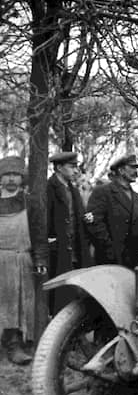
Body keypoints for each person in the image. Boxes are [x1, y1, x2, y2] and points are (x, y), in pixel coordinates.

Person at [0, 156, 44, 365]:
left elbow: (38, 233)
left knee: (20, 304)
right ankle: (7, 342)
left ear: (22, 178)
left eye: (15, 175)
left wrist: (40, 258)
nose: (10, 179)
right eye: (6, 175)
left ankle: (16, 344)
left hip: (23, 258)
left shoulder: (30, 202)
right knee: (5, 304)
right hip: (1, 258)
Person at [85, 154, 138, 269]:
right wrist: (109, 250)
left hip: (135, 259)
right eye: (132, 167)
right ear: (121, 170)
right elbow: (95, 225)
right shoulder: (103, 192)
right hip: (110, 259)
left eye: (136, 168)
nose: (135, 172)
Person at [46, 151, 92, 314]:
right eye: (72, 167)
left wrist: (86, 218)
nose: (75, 171)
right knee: (57, 295)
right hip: (57, 251)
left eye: (76, 167)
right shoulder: (49, 188)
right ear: (59, 168)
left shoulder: (73, 189)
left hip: (74, 250)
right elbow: (43, 218)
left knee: (73, 292)